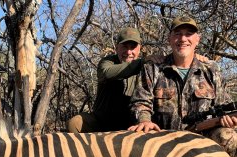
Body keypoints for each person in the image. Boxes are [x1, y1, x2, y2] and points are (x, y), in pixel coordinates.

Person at [128, 16, 237, 157]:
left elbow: (224, 106)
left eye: (189, 34)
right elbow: (140, 102)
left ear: (197, 39)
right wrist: (145, 120)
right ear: (169, 38)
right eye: (178, 33)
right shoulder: (153, 68)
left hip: (202, 138)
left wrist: (227, 120)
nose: (183, 38)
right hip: (162, 139)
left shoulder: (211, 70)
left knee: (229, 136)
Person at [67, 27, 208, 133]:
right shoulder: (107, 62)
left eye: (133, 47)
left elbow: (175, 60)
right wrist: (142, 62)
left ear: (140, 48)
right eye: (124, 47)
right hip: (102, 122)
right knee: (75, 123)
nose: (129, 52)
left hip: (130, 123)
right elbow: (109, 73)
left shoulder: (149, 67)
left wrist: (194, 59)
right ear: (117, 47)